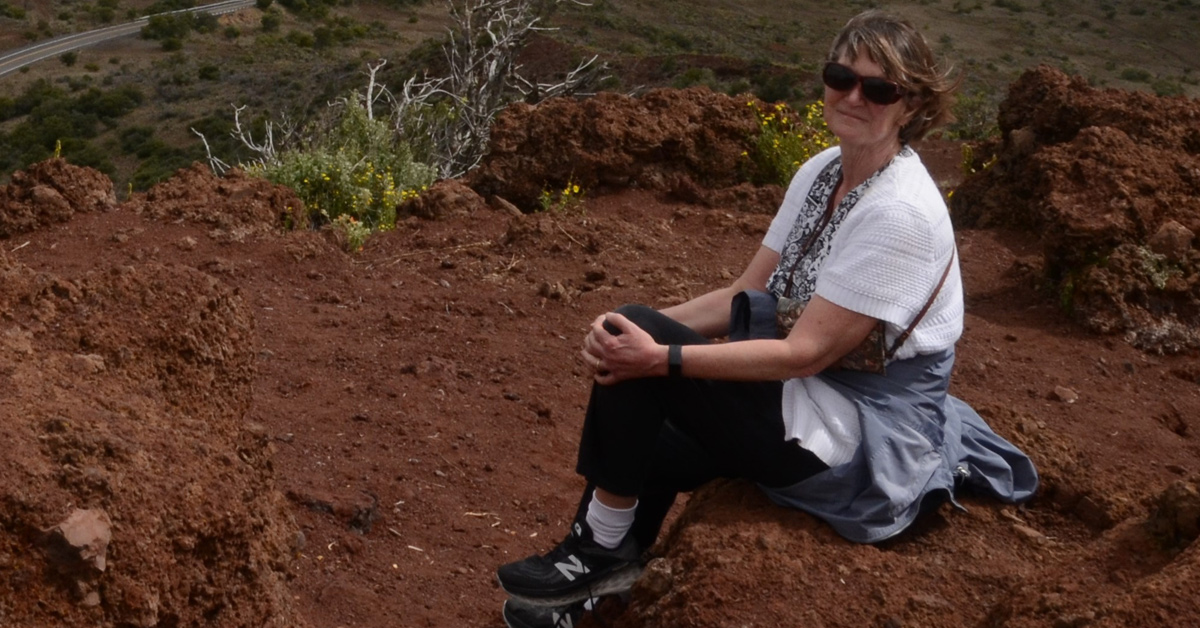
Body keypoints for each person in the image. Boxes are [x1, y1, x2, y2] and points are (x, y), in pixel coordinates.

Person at [496, 9, 1038, 628]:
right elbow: (744, 293)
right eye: (841, 77)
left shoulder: (900, 213)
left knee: (649, 365)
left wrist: (659, 355)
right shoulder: (822, 172)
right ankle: (597, 587)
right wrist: (636, 331)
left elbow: (804, 353)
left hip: (861, 443)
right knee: (654, 416)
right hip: (808, 394)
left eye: (879, 88)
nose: (854, 96)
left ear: (911, 105)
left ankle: (594, 551)